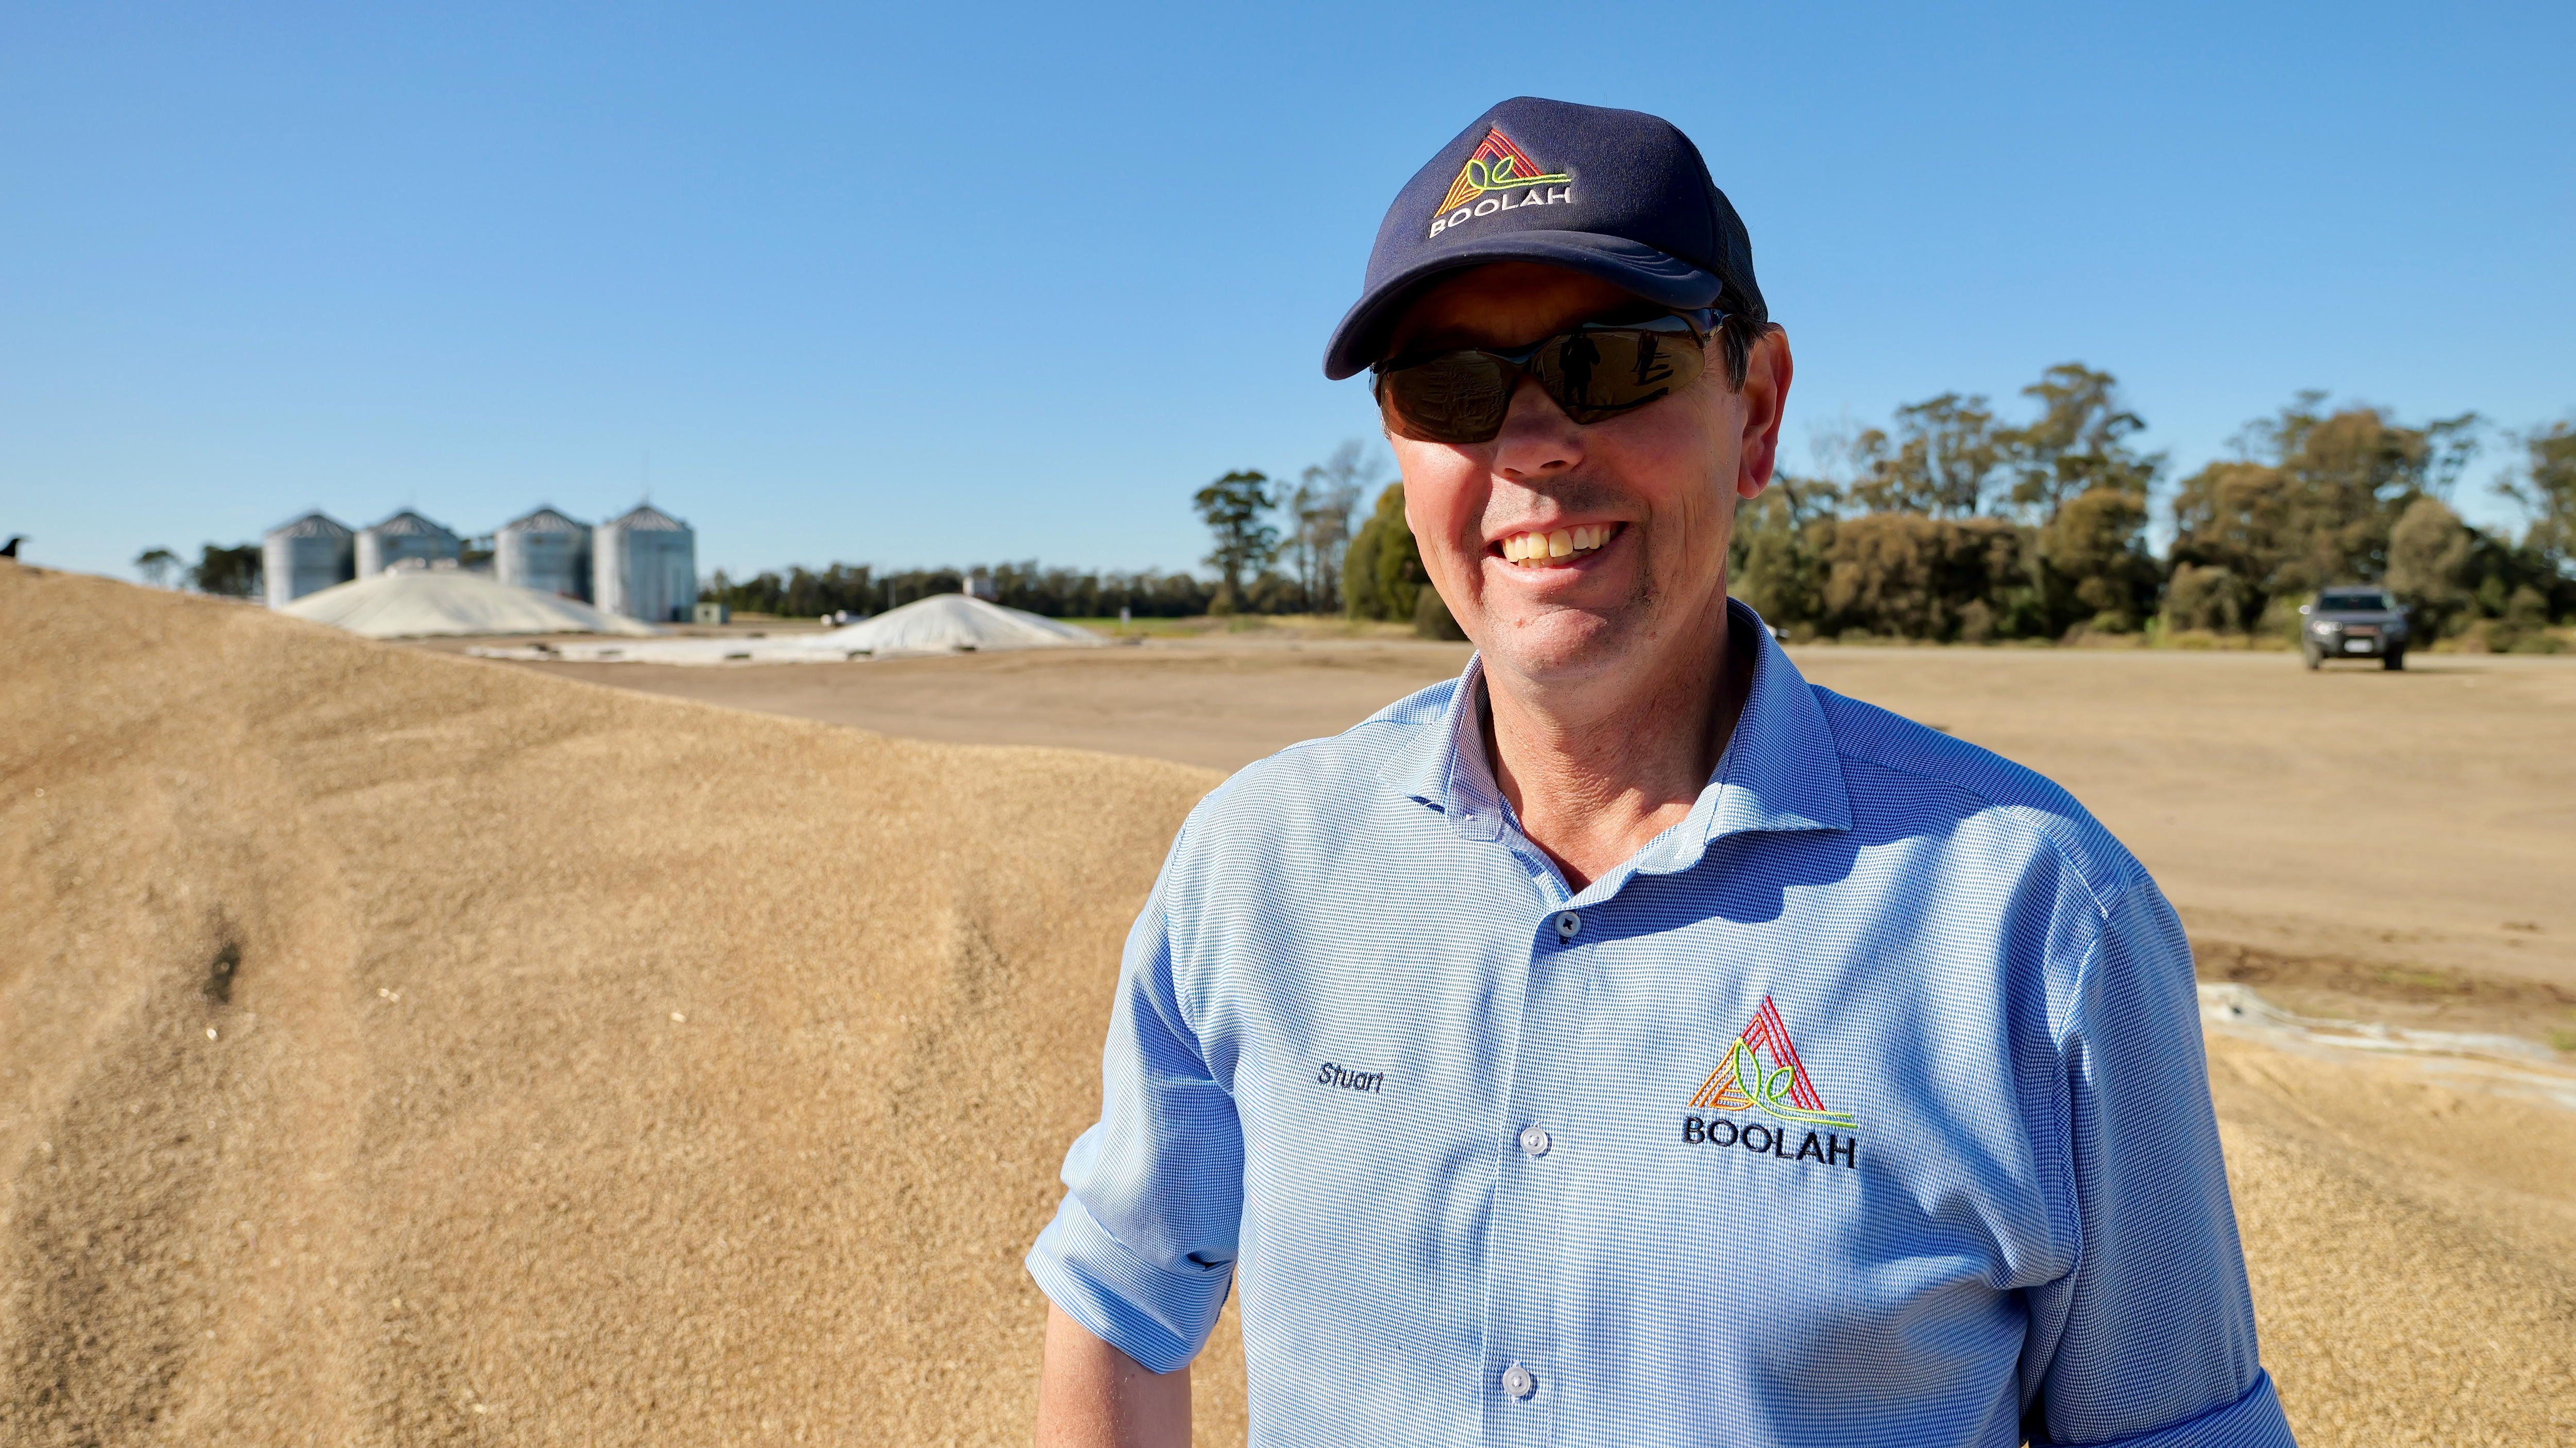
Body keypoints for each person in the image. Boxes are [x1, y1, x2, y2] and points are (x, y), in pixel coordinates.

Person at [1028, 96, 2294, 1447]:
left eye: (1615, 362)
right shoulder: (1253, 864)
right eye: (1448, 388)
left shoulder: (2040, 925)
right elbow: (1117, 1299)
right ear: (1401, 453)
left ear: (1755, 410)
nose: (1530, 444)